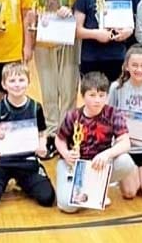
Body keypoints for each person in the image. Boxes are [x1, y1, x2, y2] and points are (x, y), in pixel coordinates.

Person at [26, 0, 86, 157]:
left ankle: (67, 133)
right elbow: (30, 10)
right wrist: (28, 44)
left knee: (68, 88)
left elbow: (82, 7)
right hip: (44, 40)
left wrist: (70, 11)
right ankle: (51, 134)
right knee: (49, 90)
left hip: (68, 39)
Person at [55, 72, 136, 213]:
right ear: (83, 96)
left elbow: (125, 143)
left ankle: (96, 188)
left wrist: (106, 154)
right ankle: (89, 190)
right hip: (73, 165)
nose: (97, 100)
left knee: (126, 162)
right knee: (68, 206)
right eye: (92, 95)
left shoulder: (113, 114)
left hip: (98, 165)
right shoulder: (73, 116)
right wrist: (66, 154)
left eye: (101, 95)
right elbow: (59, 139)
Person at [0, 62, 55, 209]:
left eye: (21, 80)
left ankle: (24, 181)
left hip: (27, 161)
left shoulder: (35, 107)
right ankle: (2, 180)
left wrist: (42, 145)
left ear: (28, 81)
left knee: (47, 198)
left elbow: (42, 133)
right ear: (4, 84)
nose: (17, 85)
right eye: (12, 81)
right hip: (1, 162)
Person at [109, 45, 142, 199]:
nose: (139, 70)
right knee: (130, 193)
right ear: (127, 66)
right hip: (126, 150)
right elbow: (108, 117)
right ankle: (128, 174)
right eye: (134, 65)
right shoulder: (116, 88)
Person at [74, 0, 134, 83]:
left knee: (114, 100)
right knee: (93, 98)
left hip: (117, 56)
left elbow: (130, 26)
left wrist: (127, 32)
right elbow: (77, 31)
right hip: (91, 58)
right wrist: (96, 34)